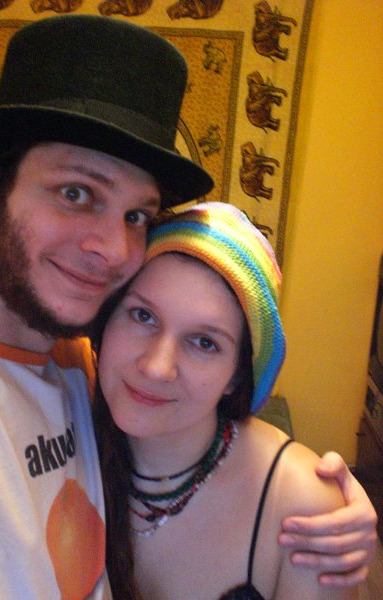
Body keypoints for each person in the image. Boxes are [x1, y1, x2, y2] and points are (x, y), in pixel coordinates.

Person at [0, 14, 376, 600]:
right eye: (76, 193)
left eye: (136, 215)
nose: (115, 249)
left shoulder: (76, 358)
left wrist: (323, 499)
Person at [92, 202, 360, 599]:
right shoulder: (60, 429)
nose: (157, 367)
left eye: (204, 342)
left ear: (236, 375)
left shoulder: (301, 504)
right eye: (142, 315)